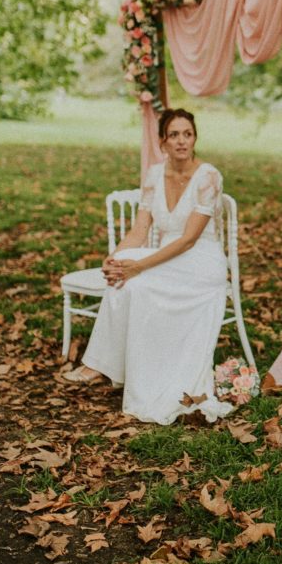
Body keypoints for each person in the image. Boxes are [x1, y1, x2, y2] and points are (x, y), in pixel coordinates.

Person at [62, 108, 235, 425]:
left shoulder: (208, 177)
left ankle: (139, 374)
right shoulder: (155, 176)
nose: (182, 141)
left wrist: (139, 267)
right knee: (121, 278)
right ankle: (100, 365)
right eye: (174, 135)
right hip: (167, 255)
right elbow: (140, 231)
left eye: (188, 134)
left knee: (137, 282)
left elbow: (188, 240)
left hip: (200, 259)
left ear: (194, 138)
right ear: (162, 142)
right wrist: (115, 258)